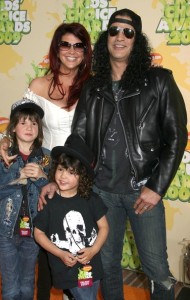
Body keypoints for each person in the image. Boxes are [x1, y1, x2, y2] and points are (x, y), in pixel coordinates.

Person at [69, 8, 188, 300]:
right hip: (102, 192)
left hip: (142, 193)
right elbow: (80, 139)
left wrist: (156, 187)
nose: (119, 37)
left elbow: (177, 137)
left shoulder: (158, 81)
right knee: (108, 267)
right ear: (105, 38)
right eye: (114, 30)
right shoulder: (92, 87)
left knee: (157, 270)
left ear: (137, 40)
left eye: (128, 32)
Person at [0, 22, 92, 300]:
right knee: (43, 246)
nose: (72, 51)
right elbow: (20, 123)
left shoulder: (92, 87)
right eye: (65, 44)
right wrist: (5, 142)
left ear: (86, 52)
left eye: (79, 45)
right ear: (56, 48)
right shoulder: (39, 85)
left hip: (81, 176)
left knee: (77, 243)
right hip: (47, 175)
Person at [0, 99, 50, 300]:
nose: (29, 127)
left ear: (39, 128)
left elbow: (53, 192)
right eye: (23, 122)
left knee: (28, 283)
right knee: (11, 287)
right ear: (13, 127)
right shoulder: (2, 156)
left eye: (34, 123)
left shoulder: (46, 157)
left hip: (34, 231)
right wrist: (17, 176)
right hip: (5, 231)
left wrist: (42, 177)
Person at [33, 134, 109, 300]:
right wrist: (59, 253)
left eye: (71, 172)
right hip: (64, 268)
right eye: (60, 169)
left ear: (82, 176)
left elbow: (104, 227)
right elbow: (38, 233)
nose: (63, 176)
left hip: (90, 268)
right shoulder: (50, 201)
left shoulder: (91, 199)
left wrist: (94, 249)